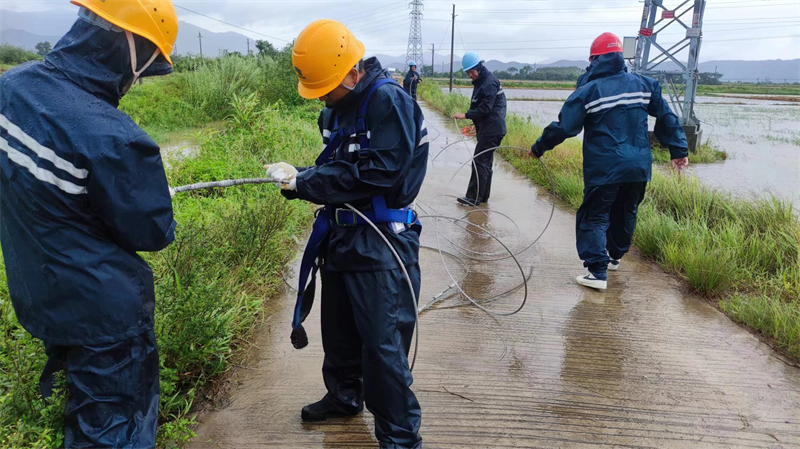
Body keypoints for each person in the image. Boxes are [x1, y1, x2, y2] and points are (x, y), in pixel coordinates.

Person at [0, 1, 178, 447]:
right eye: (148, 66)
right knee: (114, 430)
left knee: (84, 413)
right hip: (107, 318)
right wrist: (148, 196)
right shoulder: (114, 137)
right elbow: (153, 233)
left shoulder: (9, 88)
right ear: (132, 47)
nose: (138, 80)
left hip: (45, 296)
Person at [265, 19, 428, 449]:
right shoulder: (335, 108)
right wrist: (297, 179)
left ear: (352, 72)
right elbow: (338, 170)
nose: (321, 96)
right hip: (340, 236)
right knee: (338, 332)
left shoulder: (387, 101)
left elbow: (381, 172)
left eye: (327, 87)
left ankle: (399, 438)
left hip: (381, 241)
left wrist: (310, 182)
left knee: (382, 346)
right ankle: (343, 396)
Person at [529, 33, 689, 291]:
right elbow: (667, 116)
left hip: (605, 167)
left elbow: (564, 127)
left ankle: (597, 272)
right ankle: (614, 256)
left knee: (595, 215)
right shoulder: (645, 85)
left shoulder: (589, 90)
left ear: (594, 60)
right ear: (619, 57)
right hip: (638, 166)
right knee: (625, 211)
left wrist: (539, 147)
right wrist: (679, 149)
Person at [452, 51, 507, 207]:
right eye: (468, 72)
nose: (470, 74)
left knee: (479, 162)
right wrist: (477, 124)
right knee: (485, 163)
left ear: (479, 67)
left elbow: (486, 109)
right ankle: (482, 197)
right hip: (490, 128)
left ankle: (473, 197)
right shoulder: (483, 81)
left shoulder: (489, 83)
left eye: (471, 71)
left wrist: (466, 115)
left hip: (493, 129)